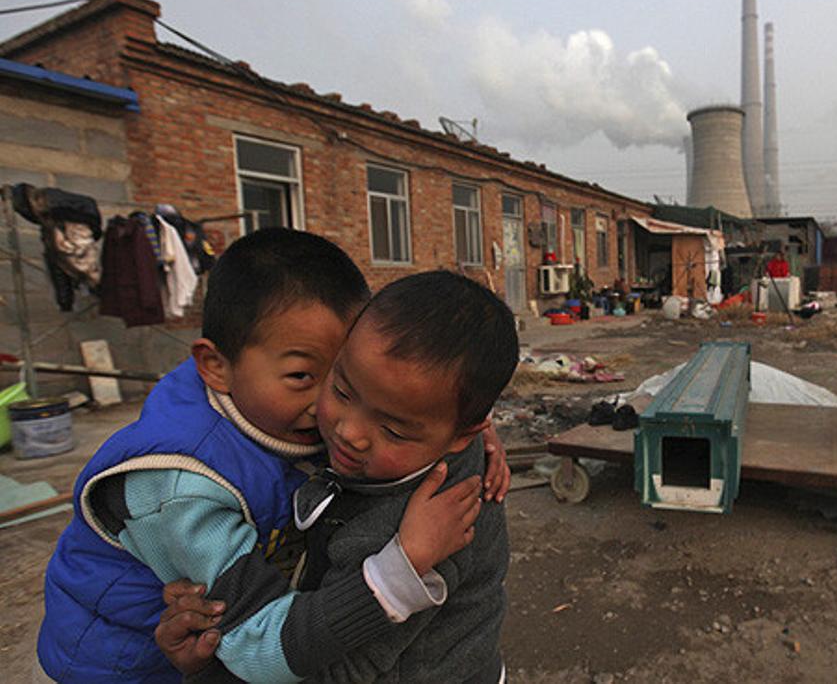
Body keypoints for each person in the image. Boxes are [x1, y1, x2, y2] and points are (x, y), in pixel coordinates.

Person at [37, 230, 509, 683]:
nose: (339, 422)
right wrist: (396, 573)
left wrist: (464, 430)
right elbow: (259, 648)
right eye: (312, 378)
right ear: (216, 367)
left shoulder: (264, 386)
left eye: (337, 375)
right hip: (128, 662)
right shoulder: (179, 491)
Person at [158, 270, 519, 683]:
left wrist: (209, 668)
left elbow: (339, 671)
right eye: (343, 391)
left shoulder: (422, 539)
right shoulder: (437, 425)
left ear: (460, 435)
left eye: (393, 431)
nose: (349, 433)